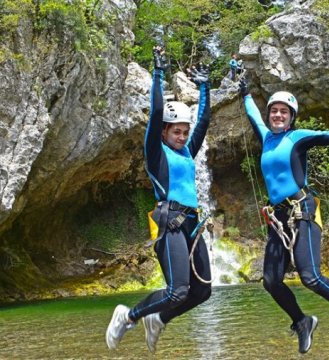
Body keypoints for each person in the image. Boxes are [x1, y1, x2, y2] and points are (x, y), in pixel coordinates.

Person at [239, 79, 329, 354]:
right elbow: (251, 113)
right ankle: (302, 321)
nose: (278, 115)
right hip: (277, 217)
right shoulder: (265, 137)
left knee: (311, 277)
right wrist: (245, 91)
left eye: (285, 111)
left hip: (302, 210)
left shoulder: (298, 138)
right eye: (274, 111)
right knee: (271, 281)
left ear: (292, 117)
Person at [106, 46, 212, 354]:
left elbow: (202, 123)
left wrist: (205, 86)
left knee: (202, 291)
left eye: (184, 132)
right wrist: (158, 73)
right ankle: (129, 315)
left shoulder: (187, 153)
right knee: (178, 290)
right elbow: (154, 114)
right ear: (164, 132)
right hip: (171, 222)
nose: (181, 136)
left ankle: (159, 320)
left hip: (193, 223)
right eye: (176, 132)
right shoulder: (156, 153)